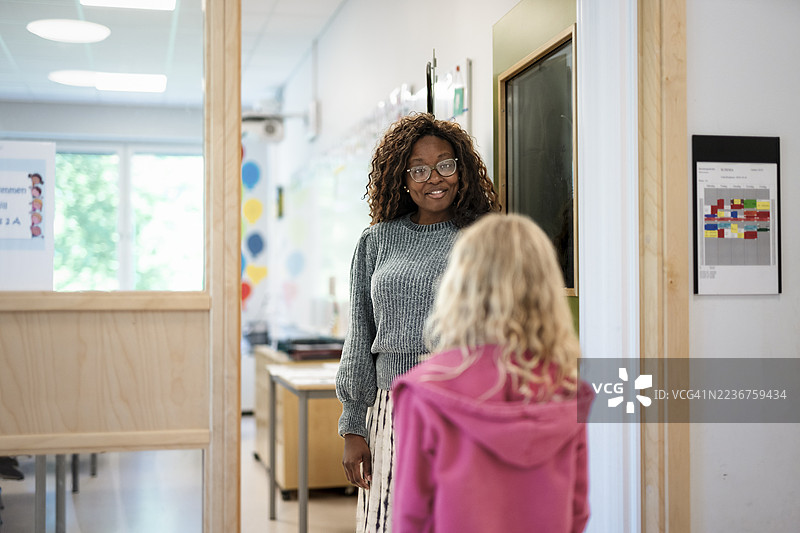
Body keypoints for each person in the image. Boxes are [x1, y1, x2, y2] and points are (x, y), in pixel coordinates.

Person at [335, 112, 501, 533]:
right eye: (420, 169)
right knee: (387, 522)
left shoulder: (484, 239)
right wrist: (352, 424)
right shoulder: (376, 241)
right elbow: (360, 334)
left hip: (460, 406)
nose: (435, 178)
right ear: (403, 179)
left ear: (461, 171)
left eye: (445, 165)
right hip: (389, 409)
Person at [391, 213, 594, 533]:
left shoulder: (424, 390)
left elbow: (411, 516)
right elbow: (577, 512)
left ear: (460, 287)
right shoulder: (566, 387)